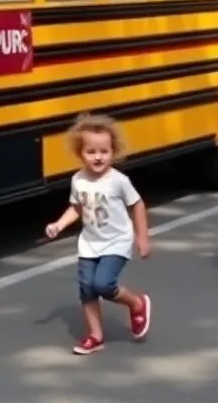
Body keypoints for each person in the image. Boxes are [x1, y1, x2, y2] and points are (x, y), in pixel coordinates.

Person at [45, 113, 152, 355]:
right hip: (89, 243)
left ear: (112, 151)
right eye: (91, 151)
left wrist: (142, 237)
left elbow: (137, 205)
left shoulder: (119, 181)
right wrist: (59, 224)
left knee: (103, 283)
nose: (98, 157)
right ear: (80, 153)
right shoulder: (78, 180)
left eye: (104, 151)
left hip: (116, 241)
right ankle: (95, 336)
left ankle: (136, 303)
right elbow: (77, 207)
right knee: (87, 288)